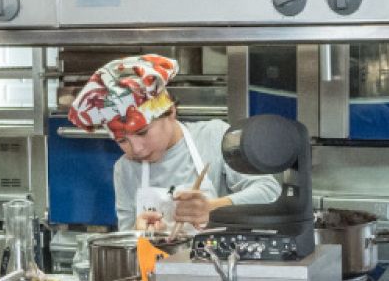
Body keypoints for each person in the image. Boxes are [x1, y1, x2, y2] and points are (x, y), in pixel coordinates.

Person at [67, 54, 281, 231]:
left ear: (170, 112)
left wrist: (214, 208)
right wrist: (139, 234)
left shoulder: (213, 136)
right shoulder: (125, 169)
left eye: (142, 132)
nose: (137, 149)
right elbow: (127, 241)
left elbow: (269, 190)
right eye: (122, 140)